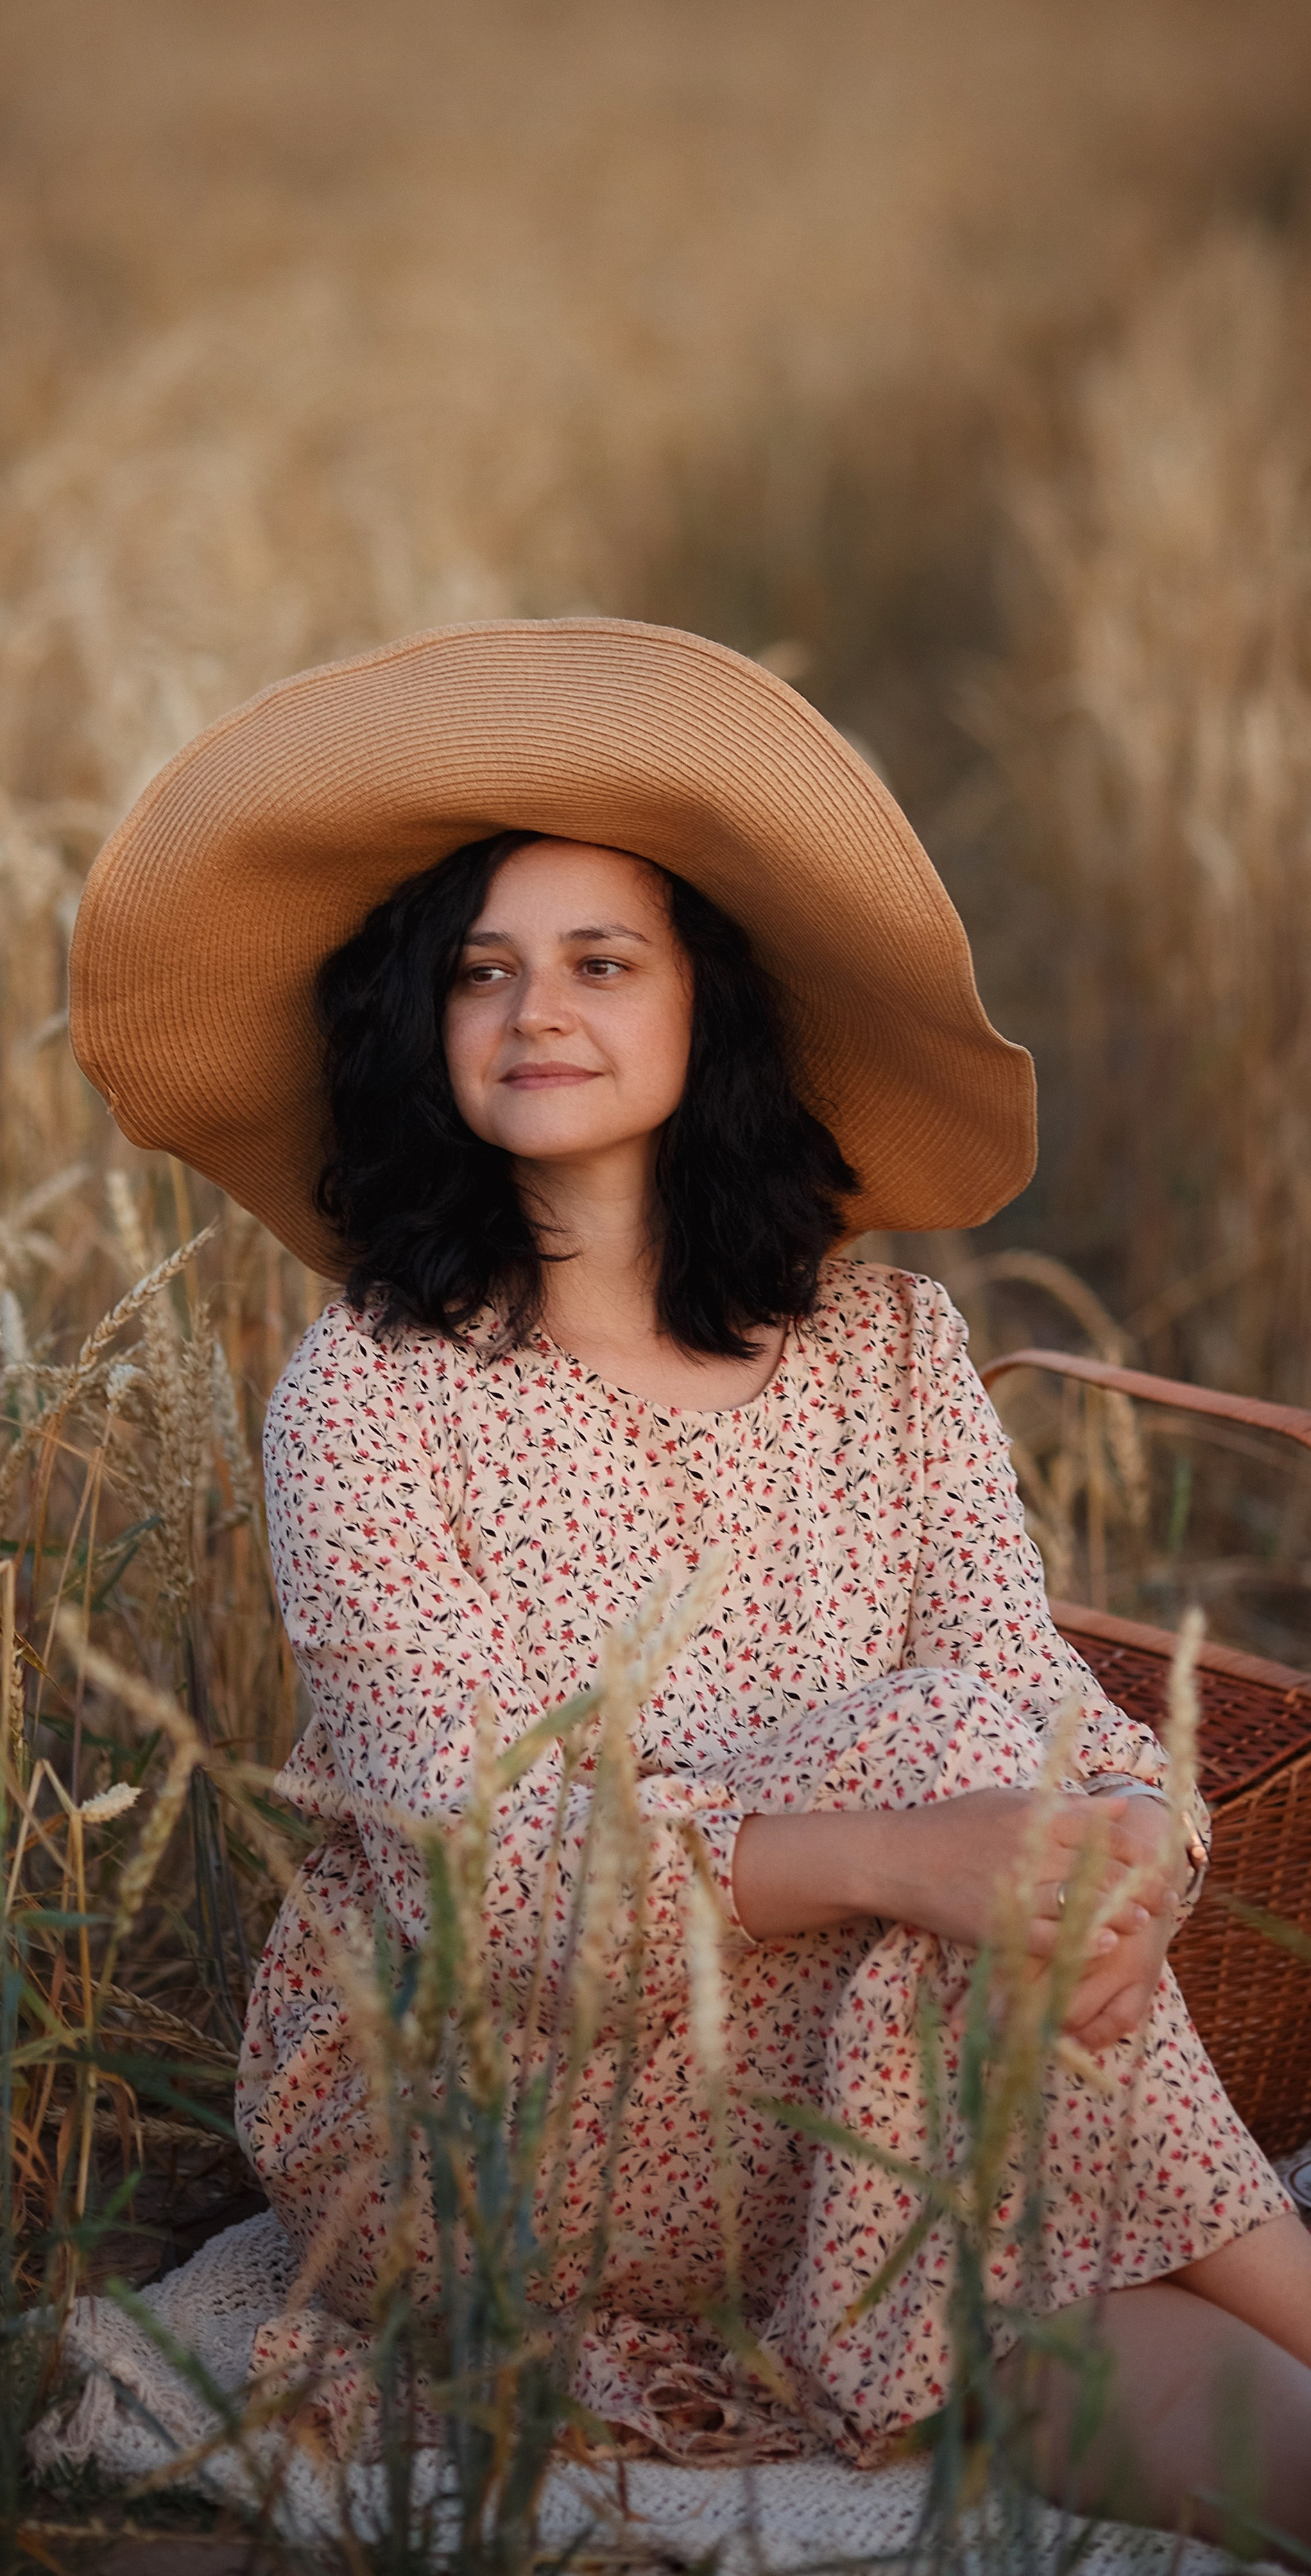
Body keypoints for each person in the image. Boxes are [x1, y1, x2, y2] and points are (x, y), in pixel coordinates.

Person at [69, 618, 1311, 2538]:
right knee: (947, 1810)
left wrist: (1130, 1843)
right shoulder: (374, 1400)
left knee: (973, 1966)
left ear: (701, 1013)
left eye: (597, 961)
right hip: (496, 2104)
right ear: (428, 1029)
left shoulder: (886, 1355)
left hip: (881, 2035)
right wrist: (930, 1854)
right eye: (480, 972)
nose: (530, 1008)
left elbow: (1043, 1698)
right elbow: (479, 1895)